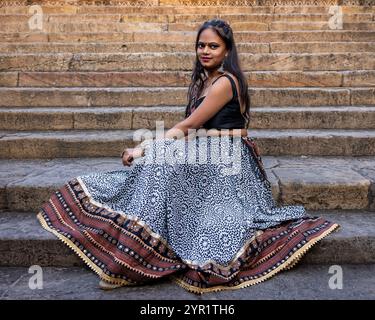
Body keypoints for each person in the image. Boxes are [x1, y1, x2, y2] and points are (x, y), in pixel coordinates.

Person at [37, 19, 340, 295]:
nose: (205, 51)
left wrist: (144, 147)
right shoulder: (203, 81)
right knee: (157, 166)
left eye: (213, 46)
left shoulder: (224, 82)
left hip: (227, 157)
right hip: (205, 149)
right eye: (201, 45)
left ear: (227, 51)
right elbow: (191, 130)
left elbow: (188, 126)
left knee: (159, 162)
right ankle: (136, 246)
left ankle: (138, 255)